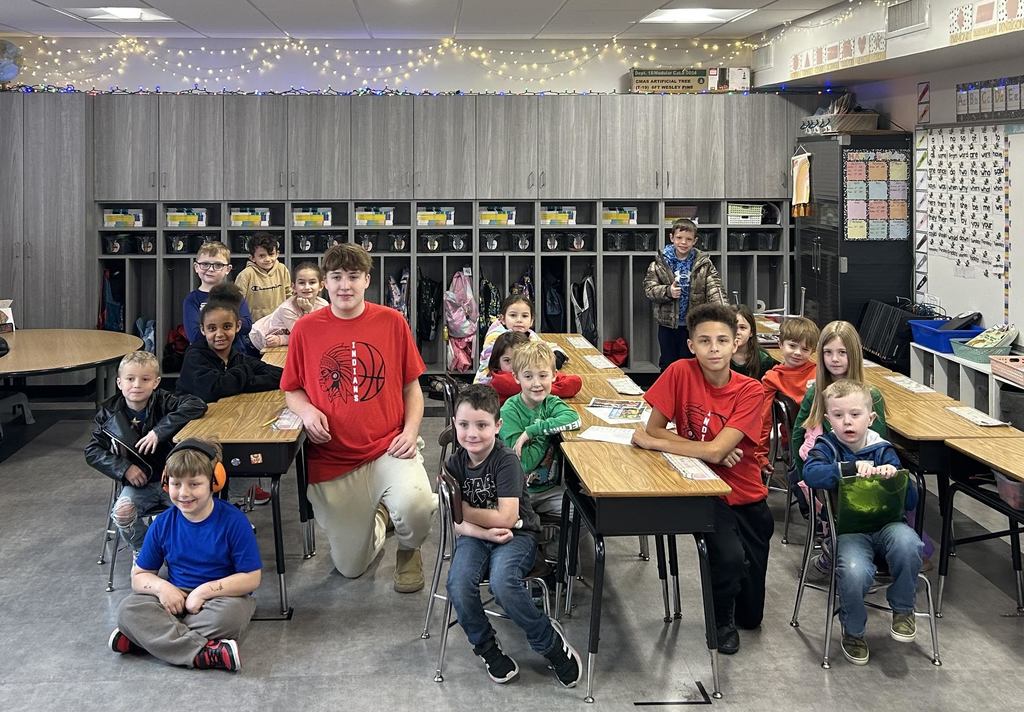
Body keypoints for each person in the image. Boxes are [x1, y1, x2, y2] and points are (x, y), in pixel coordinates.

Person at [281, 243, 436, 592]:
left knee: (418, 505)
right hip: (333, 459)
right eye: (336, 277)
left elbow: (412, 388)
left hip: (388, 448)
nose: (345, 286)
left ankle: (409, 551)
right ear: (325, 282)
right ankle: (380, 516)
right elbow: (291, 389)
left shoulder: (392, 322)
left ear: (367, 279)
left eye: (353, 277)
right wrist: (306, 411)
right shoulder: (305, 329)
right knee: (350, 568)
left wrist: (411, 431)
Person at [632, 303, 771, 655]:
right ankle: (719, 618)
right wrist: (708, 447)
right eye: (705, 341)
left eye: (722, 340)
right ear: (691, 344)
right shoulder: (679, 371)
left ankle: (736, 609)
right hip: (707, 490)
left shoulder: (750, 390)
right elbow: (655, 427)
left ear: (735, 344)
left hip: (747, 494)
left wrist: (664, 443)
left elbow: (658, 437)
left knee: (752, 617)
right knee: (727, 558)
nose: (714, 348)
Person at [445, 384, 582, 687]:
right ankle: (487, 648)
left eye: (482, 425)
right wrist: (478, 528)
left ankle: (549, 643)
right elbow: (455, 524)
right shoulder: (454, 464)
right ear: (454, 424)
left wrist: (464, 510)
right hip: (477, 537)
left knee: (503, 582)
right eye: (464, 425)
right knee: (457, 583)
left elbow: (508, 518)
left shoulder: (506, 460)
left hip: (518, 536)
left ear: (497, 426)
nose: (472, 434)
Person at [108, 439, 262, 672]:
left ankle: (146, 638)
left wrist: (204, 592)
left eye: (194, 484)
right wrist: (163, 589)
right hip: (175, 597)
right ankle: (205, 652)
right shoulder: (163, 523)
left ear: (214, 482)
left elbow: (251, 578)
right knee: (128, 609)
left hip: (223, 598)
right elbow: (139, 576)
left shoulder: (234, 522)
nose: (183, 493)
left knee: (228, 619)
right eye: (176, 484)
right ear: (165, 484)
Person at [802, 379, 922, 666]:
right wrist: (850, 467)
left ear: (871, 418)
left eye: (855, 415)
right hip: (848, 531)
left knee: (910, 543)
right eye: (839, 415)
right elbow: (811, 474)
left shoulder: (882, 449)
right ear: (828, 419)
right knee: (855, 571)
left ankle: (903, 609)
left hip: (888, 526)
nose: (847, 422)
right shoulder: (827, 446)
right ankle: (853, 631)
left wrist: (895, 477)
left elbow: (912, 501)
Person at [85, 351, 207, 552]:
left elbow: (196, 405)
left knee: (196, 511)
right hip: (138, 485)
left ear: (156, 382)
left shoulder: (164, 400)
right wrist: (125, 468)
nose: (136, 385)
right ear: (119, 383)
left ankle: (180, 553)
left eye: (145, 379)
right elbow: (92, 451)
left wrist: (159, 432)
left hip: (173, 480)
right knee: (123, 513)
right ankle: (144, 552)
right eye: (130, 379)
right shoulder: (108, 413)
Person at [499, 341, 581, 529]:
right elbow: (525, 463)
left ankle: (556, 554)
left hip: (549, 490)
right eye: (528, 376)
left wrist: (532, 431)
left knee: (583, 515)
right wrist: (547, 434)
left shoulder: (550, 402)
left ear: (554, 376)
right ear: (516, 377)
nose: (536, 384)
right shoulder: (509, 412)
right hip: (517, 493)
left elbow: (574, 419)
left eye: (543, 375)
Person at [176, 283, 283, 404]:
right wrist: (245, 372)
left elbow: (279, 375)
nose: (219, 334)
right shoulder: (194, 356)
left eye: (226, 326)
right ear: (202, 330)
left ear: (238, 326)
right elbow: (214, 390)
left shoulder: (236, 356)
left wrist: (239, 380)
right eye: (212, 328)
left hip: (221, 415)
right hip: (190, 420)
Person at [643, 218, 727, 371]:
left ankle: (687, 394)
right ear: (671, 238)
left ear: (694, 241)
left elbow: (716, 289)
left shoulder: (703, 263)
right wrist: (668, 291)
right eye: (679, 238)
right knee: (668, 362)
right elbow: (649, 288)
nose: (683, 242)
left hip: (693, 324)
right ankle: (667, 394)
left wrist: (725, 316)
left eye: (688, 239)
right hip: (667, 324)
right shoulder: (660, 263)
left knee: (690, 363)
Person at [755, 316, 819, 477]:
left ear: (813, 351)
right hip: (793, 444)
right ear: (780, 345)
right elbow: (763, 418)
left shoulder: (819, 373)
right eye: (792, 346)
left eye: (805, 349)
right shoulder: (772, 378)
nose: (798, 352)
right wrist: (760, 455)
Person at [182, 240, 254, 349]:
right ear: (196, 267)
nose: (211, 269)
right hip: (204, 358)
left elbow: (247, 326)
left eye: (218, 265)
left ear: (228, 269)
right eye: (205, 264)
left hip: (235, 354)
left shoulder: (235, 295)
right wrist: (228, 325)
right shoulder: (192, 299)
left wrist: (212, 327)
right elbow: (195, 336)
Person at [249, 261, 327, 351]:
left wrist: (281, 339)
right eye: (302, 283)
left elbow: (323, 333)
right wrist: (308, 311)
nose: (307, 287)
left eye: (312, 282)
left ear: (321, 286)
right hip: (256, 340)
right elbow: (302, 338)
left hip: (278, 344)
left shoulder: (323, 305)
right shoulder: (287, 308)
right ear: (293, 287)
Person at [488, 331, 582, 406]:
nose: (514, 365)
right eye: (507, 360)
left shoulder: (529, 374)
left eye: (519, 359)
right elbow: (570, 385)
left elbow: (575, 382)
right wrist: (546, 383)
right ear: (497, 362)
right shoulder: (502, 381)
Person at [474, 295, 540, 384]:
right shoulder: (495, 336)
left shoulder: (531, 335)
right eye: (513, 315)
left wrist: (556, 353)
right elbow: (489, 363)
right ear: (502, 319)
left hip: (518, 379)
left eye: (524, 316)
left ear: (531, 321)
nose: (519, 320)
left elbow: (546, 347)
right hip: (490, 382)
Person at [234, 232, 291, 322]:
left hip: (279, 323)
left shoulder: (282, 269)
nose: (267, 259)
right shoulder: (245, 275)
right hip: (254, 325)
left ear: (277, 254)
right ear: (252, 257)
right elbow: (237, 301)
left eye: (271, 254)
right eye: (262, 256)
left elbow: (289, 295)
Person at [730, 304, 775, 380]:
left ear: (751, 332)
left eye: (742, 327)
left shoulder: (764, 360)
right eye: (732, 327)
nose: (737, 332)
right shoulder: (719, 356)